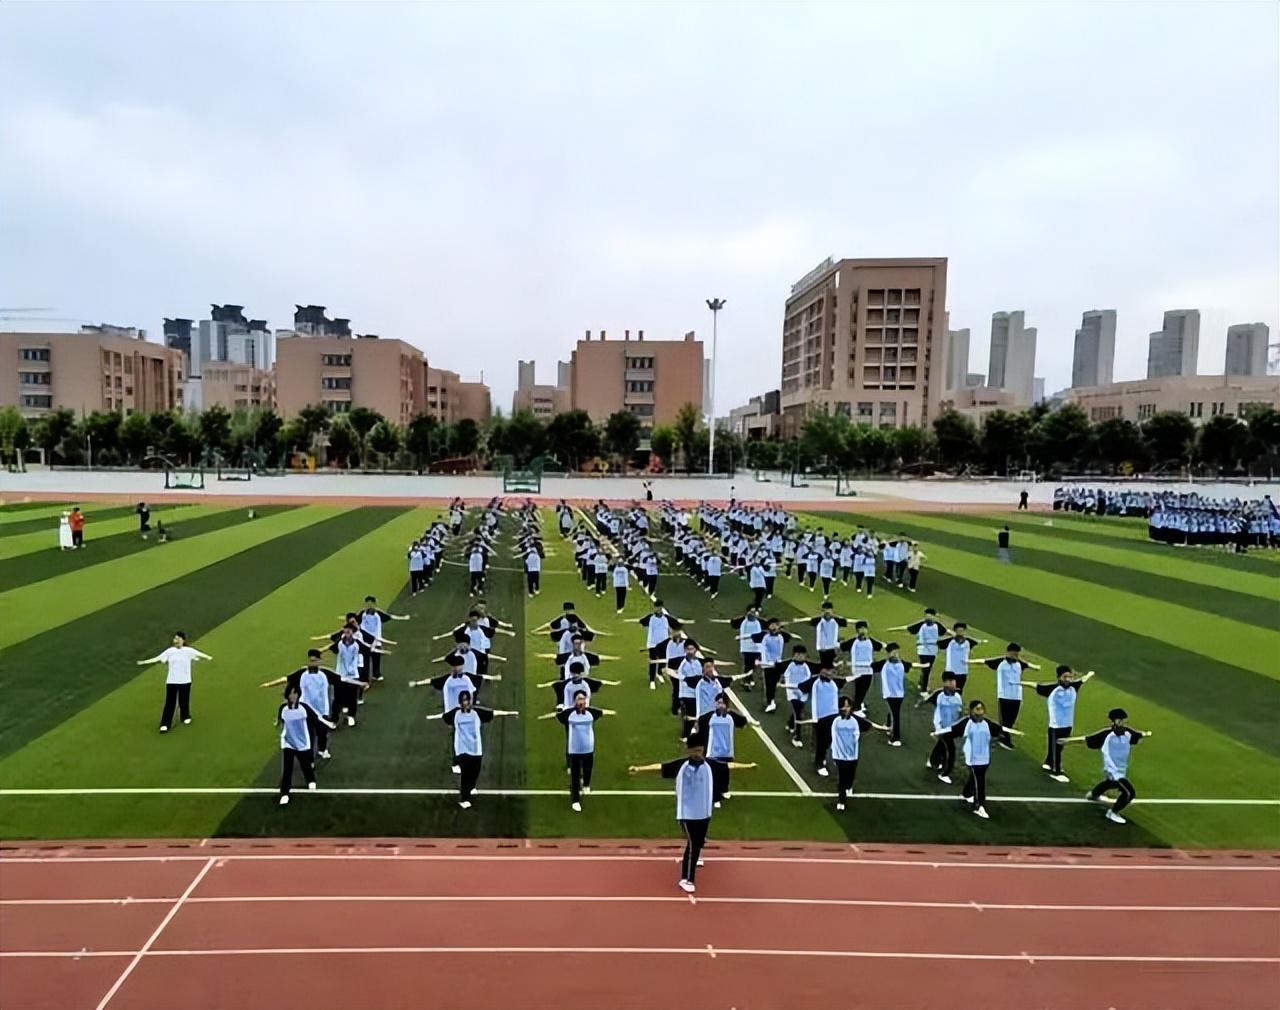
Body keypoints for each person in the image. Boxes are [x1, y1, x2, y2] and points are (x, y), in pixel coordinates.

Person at [629, 733, 755, 894]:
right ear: (689, 750)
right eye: (694, 750)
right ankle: (687, 879)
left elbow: (729, 766)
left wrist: (748, 767)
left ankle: (694, 859)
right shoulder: (681, 766)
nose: (697, 753)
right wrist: (639, 769)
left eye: (699, 750)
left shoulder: (711, 765)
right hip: (687, 813)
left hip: (704, 812)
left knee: (698, 842)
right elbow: (660, 767)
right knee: (694, 844)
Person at [932, 699, 1022, 819]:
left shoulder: (988, 724)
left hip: (985, 758)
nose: (980, 712)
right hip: (972, 758)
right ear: (971, 711)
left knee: (975, 778)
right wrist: (937, 733)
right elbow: (952, 730)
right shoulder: (966, 724)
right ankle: (979, 805)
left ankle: (966, 794)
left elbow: (1000, 731)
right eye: (977, 709)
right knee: (979, 781)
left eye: (981, 709)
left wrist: (1010, 736)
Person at [795, 696, 887, 810]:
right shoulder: (834, 720)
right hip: (839, 755)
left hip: (852, 755)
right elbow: (818, 721)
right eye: (843, 706)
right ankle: (841, 800)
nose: (845, 708)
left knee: (850, 775)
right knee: (842, 777)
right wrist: (801, 722)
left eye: (848, 706)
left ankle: (849, 786)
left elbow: (869, 725)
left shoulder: (856, 721)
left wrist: (883, 728)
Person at [1064, 708, 1150, 825]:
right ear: (1114, 721)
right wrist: (1067, 741)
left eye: (1124, 720)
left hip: (1121, 769)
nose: (1123, 722)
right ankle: (1113, 812)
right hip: (1112, 770)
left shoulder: (1128, 733)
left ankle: (1093, 795)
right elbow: (1087, 739)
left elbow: (1138, 735)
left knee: (1111, 783)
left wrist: (1146, 734)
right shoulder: (1107, 735)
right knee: (1129, 793)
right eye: (1121, 720)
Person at [437, 690, 519, 809]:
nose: (466, 703)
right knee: (466, 773)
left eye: (467, 700)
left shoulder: (477, 713)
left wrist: (510, 714)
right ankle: (464, 798)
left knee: (475, 771)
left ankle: (470, 787)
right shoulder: (455, 714)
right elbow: (445, 717)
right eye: (464, 700)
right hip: (462, 749)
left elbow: (493, 713)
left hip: (476, 749)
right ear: (460, 702)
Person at [539, 690, 616, 811]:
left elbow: (602, 712)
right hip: (574, 750)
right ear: (575, 701)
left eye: (583, 699)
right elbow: (556, 715)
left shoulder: (591, 712)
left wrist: (613, 713)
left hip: (588, 748)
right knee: (575, 776)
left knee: (587, 769)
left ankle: (586, 785)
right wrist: (542, 717)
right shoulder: (569, 714)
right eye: (579, 699)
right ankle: (575, 800)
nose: (581, 701)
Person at [1023, 666, 1095, 782]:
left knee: (1059, 747)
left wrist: (1089, 674)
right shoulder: (1052, 688)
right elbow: (1035, 685)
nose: (1068, 679)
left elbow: (1082, 680)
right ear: (1059, 677)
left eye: (1070, 677)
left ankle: (1048, 762)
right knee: (1056, 747)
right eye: (1065, 677)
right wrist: (1019, 683)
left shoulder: (1073, 687)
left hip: (1068, 724)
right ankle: (1057, 771)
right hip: (1055, 725)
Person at [137, 632, 212, 733]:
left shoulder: (188, 651)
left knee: (184, 701)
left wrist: (208, 657)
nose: (176, 640)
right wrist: (144, 662)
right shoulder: (170, 651)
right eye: (175, 638)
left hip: (185, 681)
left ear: (183, 640)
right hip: (172, 681)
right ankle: (165, 724)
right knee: (170, 703)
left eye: (178, 638)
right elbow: (158, 658)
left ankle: (185, 716)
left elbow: (199, 654)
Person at [275, 684, 335, 805]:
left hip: (302, 743)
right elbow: (280, 721)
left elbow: (316, 719)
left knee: (306, 764)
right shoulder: (283, 708)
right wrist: (277, 724)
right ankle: (285, 793)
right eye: (291, 693)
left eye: (295, 693)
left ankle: (311, 780)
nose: (293, 696)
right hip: (288, 743)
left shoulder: (304, 708)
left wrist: (328, 724)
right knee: (287, 768)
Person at [694, 693, 758, 807]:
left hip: (727, 751)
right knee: (714, 775)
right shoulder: (709, 717)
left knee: (725, 772)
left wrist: (751, 723)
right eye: (718, 703)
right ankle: (715, 798)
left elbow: (743, 721)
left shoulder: (731, 716)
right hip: (713, 751)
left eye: (722, 703)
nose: (720, 705)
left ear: (727, 705)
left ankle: (724, 789)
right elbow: (700, 724)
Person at [918, 671, 965, 783]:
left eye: (953, 681)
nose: (952, 683)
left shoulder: (958, 697)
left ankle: (933, 761)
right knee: (951, 749)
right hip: (942, 727)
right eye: (949, 681)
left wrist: (959, 726)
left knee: (942, 746)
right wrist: (938, 729)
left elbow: (959, 712)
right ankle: (944, 772)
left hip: (952, 728)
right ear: (945, 683)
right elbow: (938, 713)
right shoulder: (940, 696)